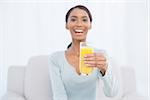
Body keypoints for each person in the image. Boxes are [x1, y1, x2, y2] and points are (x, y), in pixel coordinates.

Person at [49, 5, 118, 100]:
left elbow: (111, 93)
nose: (79, 24)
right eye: (73, 20)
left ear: (90, 25)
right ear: (66, 25)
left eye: (84, 20)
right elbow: (59, 95)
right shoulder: (55, 58)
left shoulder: (100, 55)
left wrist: (104, 69)